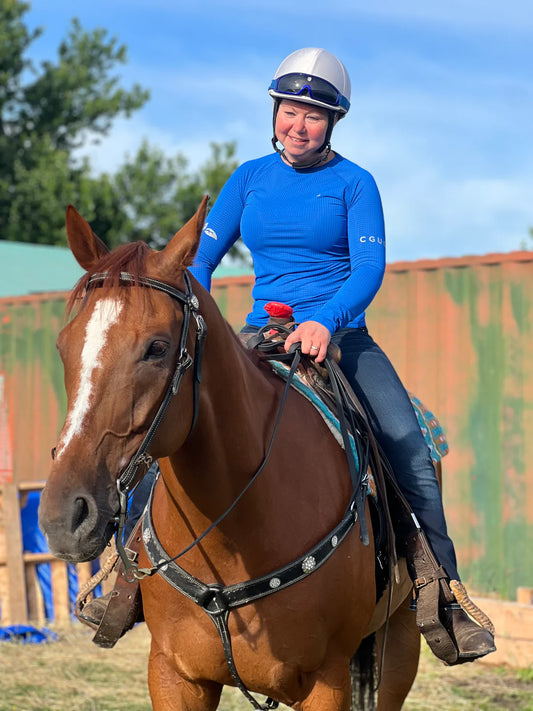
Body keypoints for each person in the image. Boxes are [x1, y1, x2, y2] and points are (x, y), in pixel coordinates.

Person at [82, 47, 495, 664]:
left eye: (314, 114)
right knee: (162, 427)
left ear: (334, 124)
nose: (297, 125)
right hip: (256, 337)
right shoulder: (248, 179)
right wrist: (190, 319)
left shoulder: (356, 184)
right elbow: (196, 262)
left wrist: (327, 320)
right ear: (273, 111)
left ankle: (443, 593)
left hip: (341, 339)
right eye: (289, 110)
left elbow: (369, 267)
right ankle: (123, 575)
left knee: (409, 448)